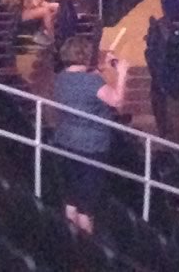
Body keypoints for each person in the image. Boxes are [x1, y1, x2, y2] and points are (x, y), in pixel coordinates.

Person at [51, 34, 129, 233]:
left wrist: (101, 68)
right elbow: (117, 101)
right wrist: (121, 74)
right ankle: (89, 253)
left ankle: (71, 245)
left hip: (64, 142)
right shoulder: (92, 83)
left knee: (71, 201)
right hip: (90, 148)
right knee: (86, 207)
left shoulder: (60, 78)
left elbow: (85, 83)